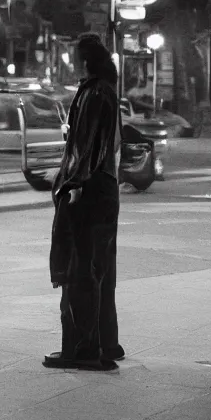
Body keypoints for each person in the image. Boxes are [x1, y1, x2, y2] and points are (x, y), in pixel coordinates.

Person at [45, 34, 124, 372]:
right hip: (103, 189)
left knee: (80, 270)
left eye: (73, 56)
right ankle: (105, 343)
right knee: (100, 269)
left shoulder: (94, 93)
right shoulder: (105, 90)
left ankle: (82, 348)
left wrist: (72, 185)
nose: (70, 61)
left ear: (85, 60)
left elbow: (88, 148)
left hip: (89, 191)